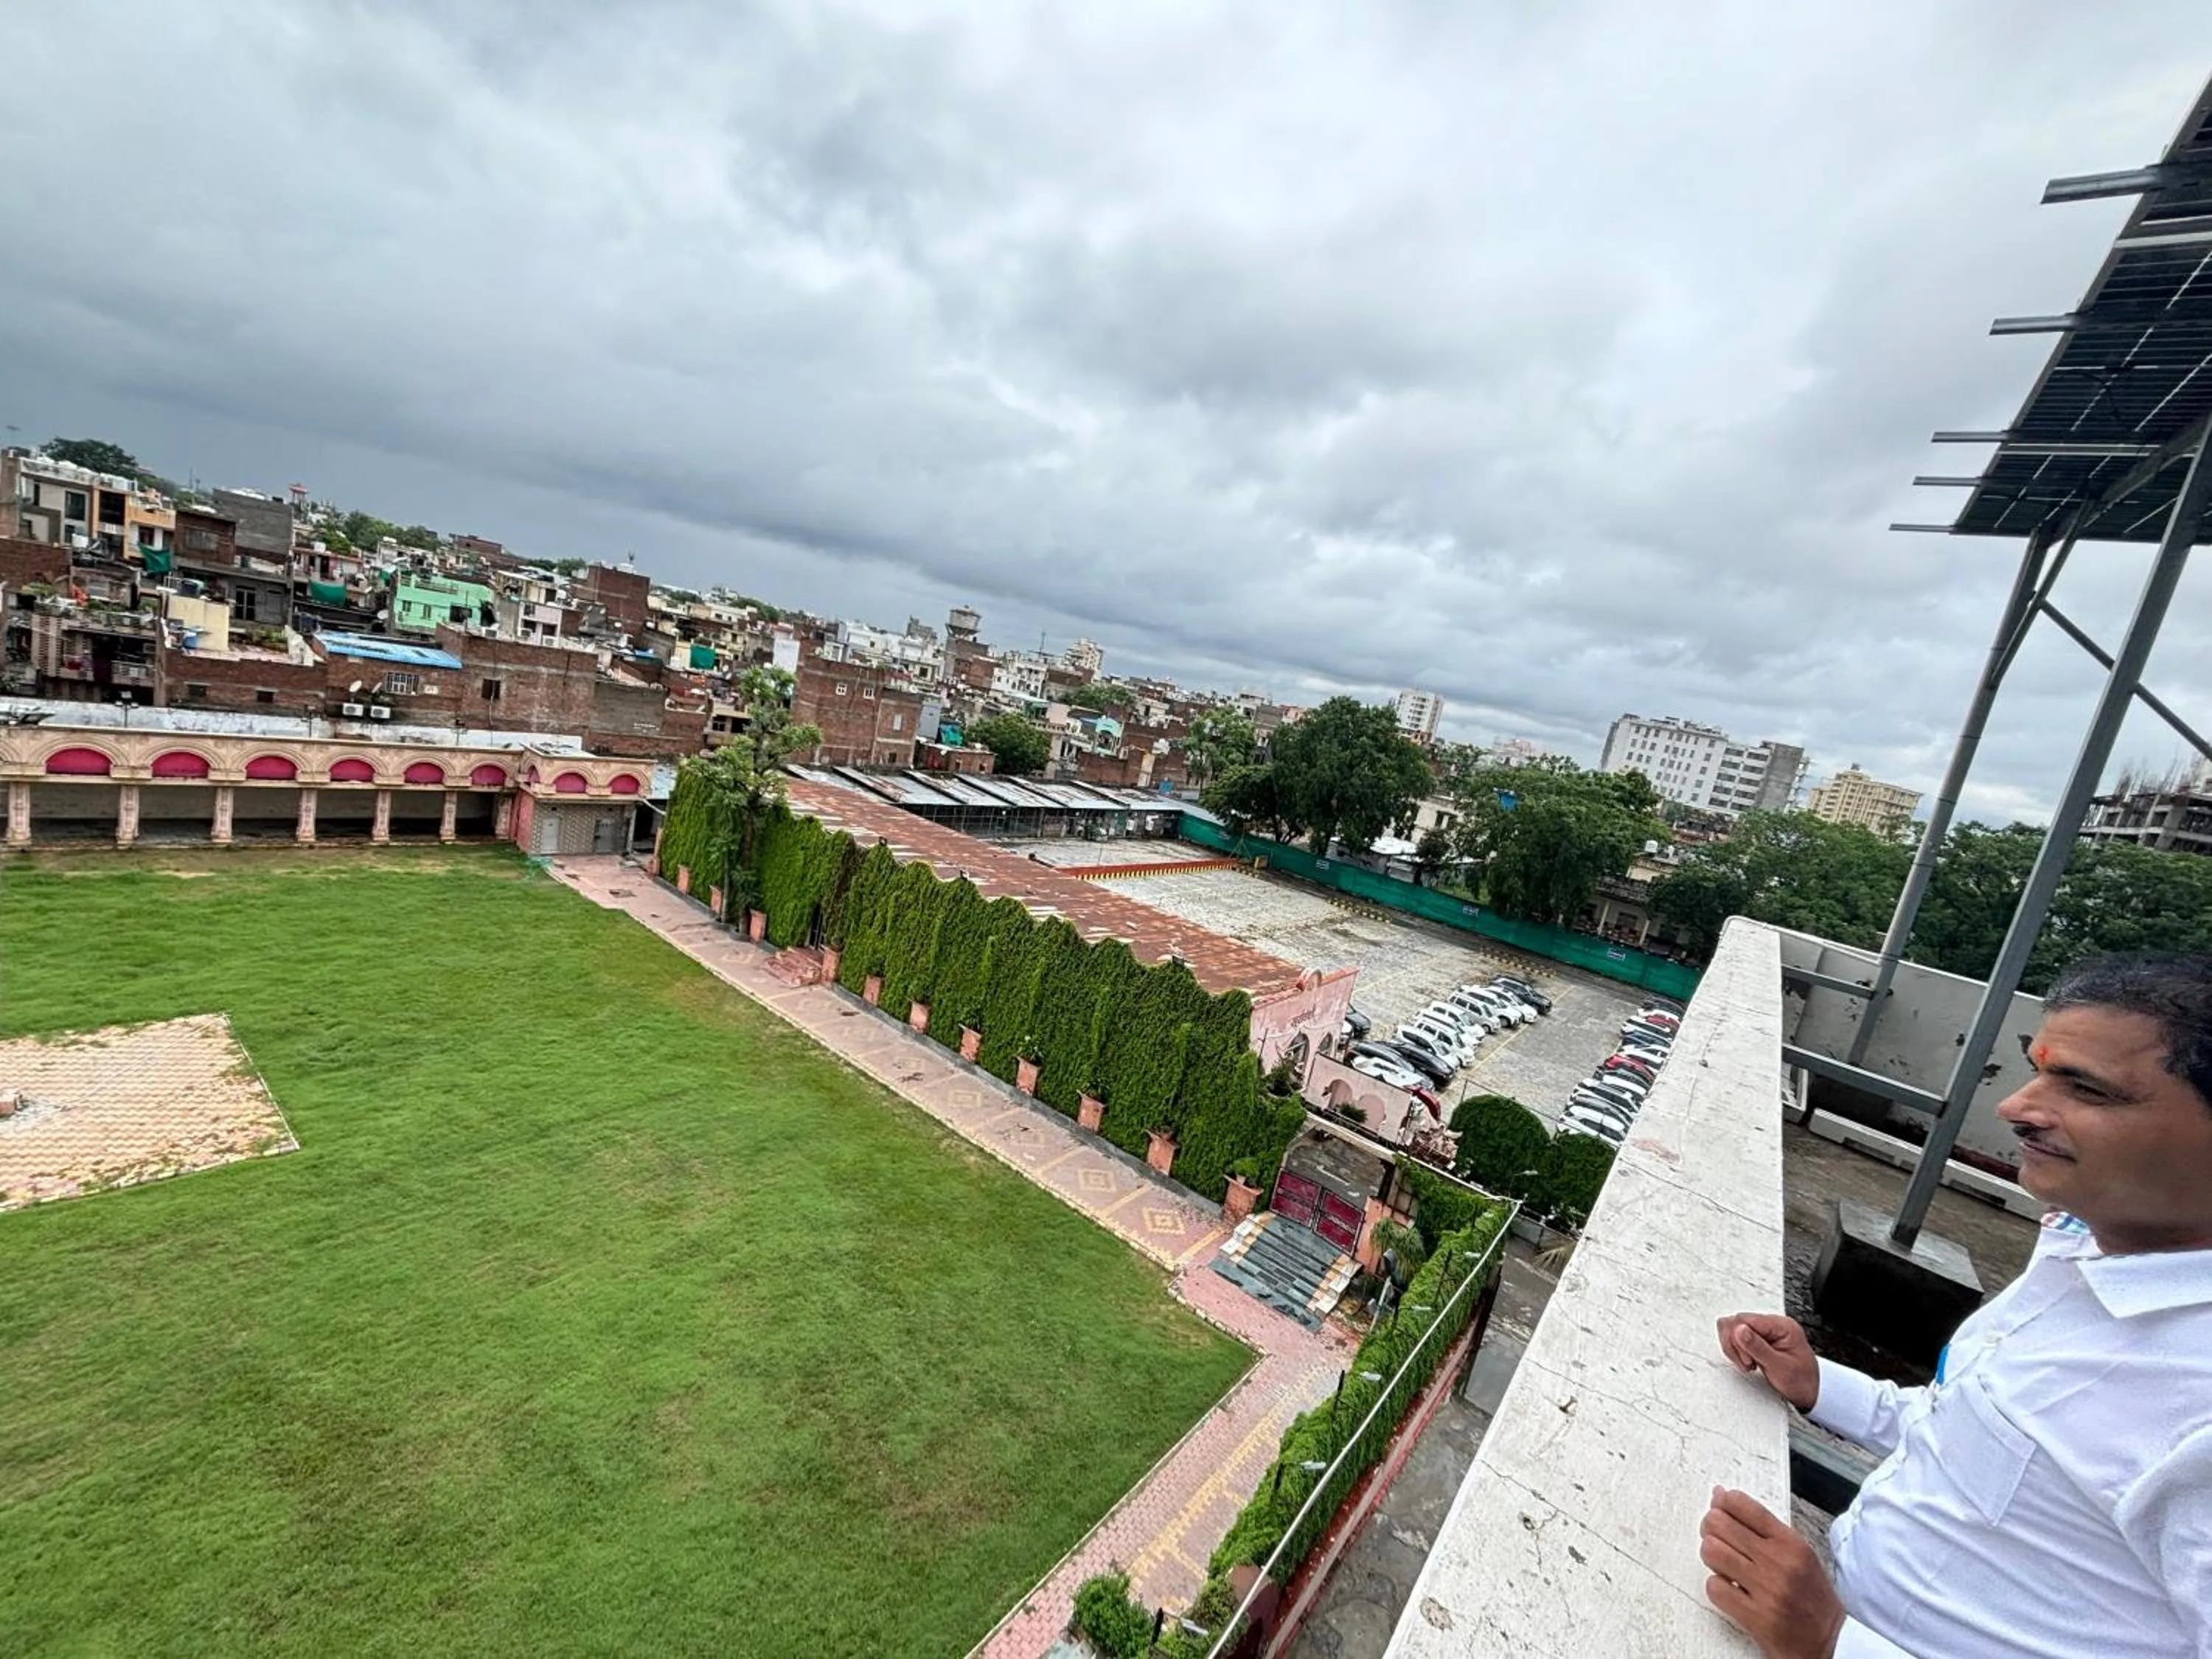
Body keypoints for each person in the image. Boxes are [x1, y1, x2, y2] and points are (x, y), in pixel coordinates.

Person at [1700, 951, 2212, 1658]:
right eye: (2038, 1070)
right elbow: (1970, 1431)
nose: (2016, 1107)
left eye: (2085, 1089)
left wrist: (1831, 1642)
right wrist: (1822, 1384)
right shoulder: (2082, 1254)